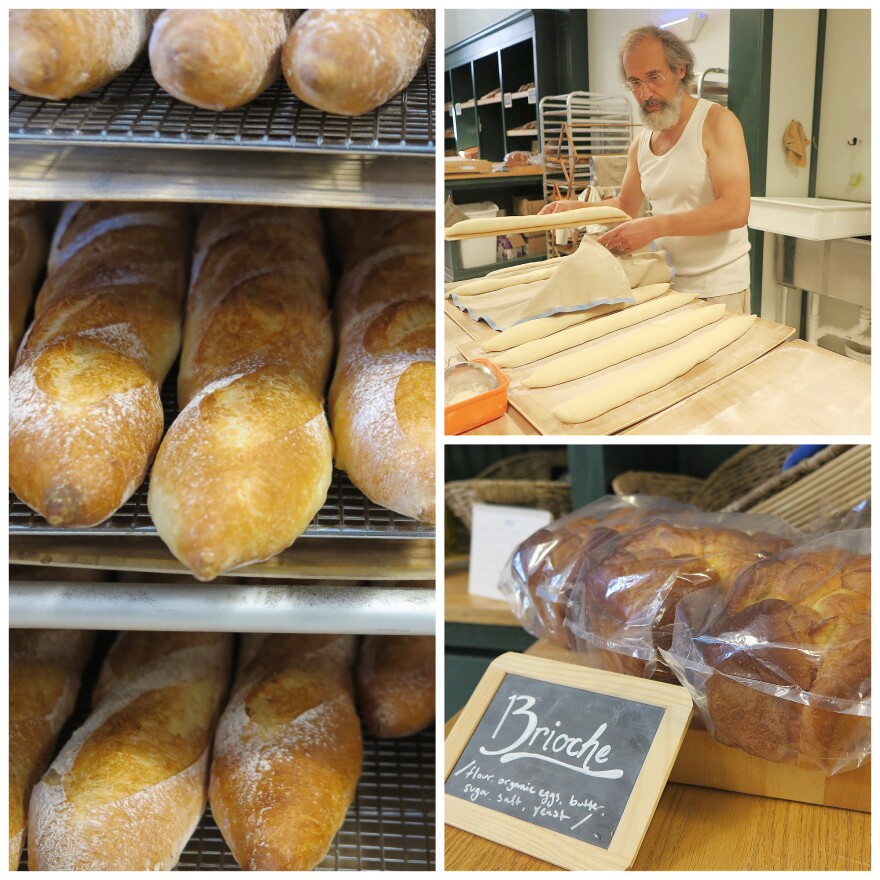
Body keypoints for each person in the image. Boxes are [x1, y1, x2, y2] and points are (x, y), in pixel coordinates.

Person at [540, 25, 752, 313]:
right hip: (666, 283)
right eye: (635, 83)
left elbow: (735, 209)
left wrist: (655, 226)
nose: (645, 94)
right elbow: (626, 204)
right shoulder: (641, 144)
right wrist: (574, 209)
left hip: (719, 289)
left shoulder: (717, 123)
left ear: (680, 70)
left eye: (654, 77)